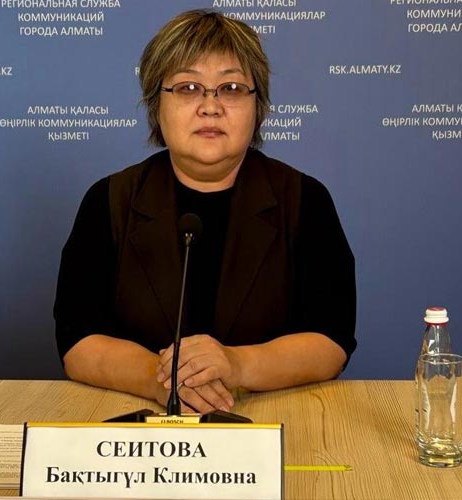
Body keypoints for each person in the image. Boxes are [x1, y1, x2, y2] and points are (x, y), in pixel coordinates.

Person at [54, 10, 356, 414]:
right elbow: (78, 341)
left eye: (230, 88)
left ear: (257, 105)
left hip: (271, 418)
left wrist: (236, 364)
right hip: (141, 423)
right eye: (188, 87)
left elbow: (331, 340)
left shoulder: (305, 199)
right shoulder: (109, 200)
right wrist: (161, 380)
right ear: (156, 104)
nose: (210, 107)